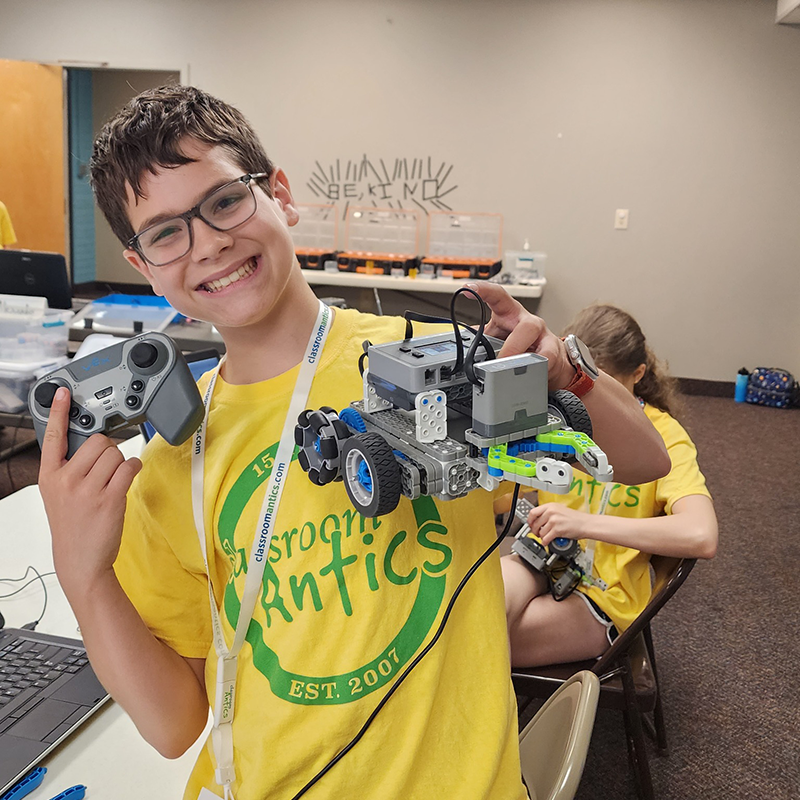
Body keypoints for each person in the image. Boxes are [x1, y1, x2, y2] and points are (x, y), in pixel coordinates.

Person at [36, 86, 669, 800]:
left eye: (224, 201)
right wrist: (82, 573)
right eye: (164, 232)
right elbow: (175, 724)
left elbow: (646, 461)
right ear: (142, 262)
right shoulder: (174, 459)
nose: (208, 242)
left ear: (280, 193)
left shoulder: (434, 356)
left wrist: (562, 372)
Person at [502, 304, 718, 668]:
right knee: (468, 621)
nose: (594, 404)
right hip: (542, 556)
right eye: (581, 389)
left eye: (608, 387)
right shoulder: (559, 419)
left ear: (639, 374)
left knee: (480, 644)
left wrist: (582, 523)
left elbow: (701, 535)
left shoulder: (665, 437)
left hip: (605, 595)